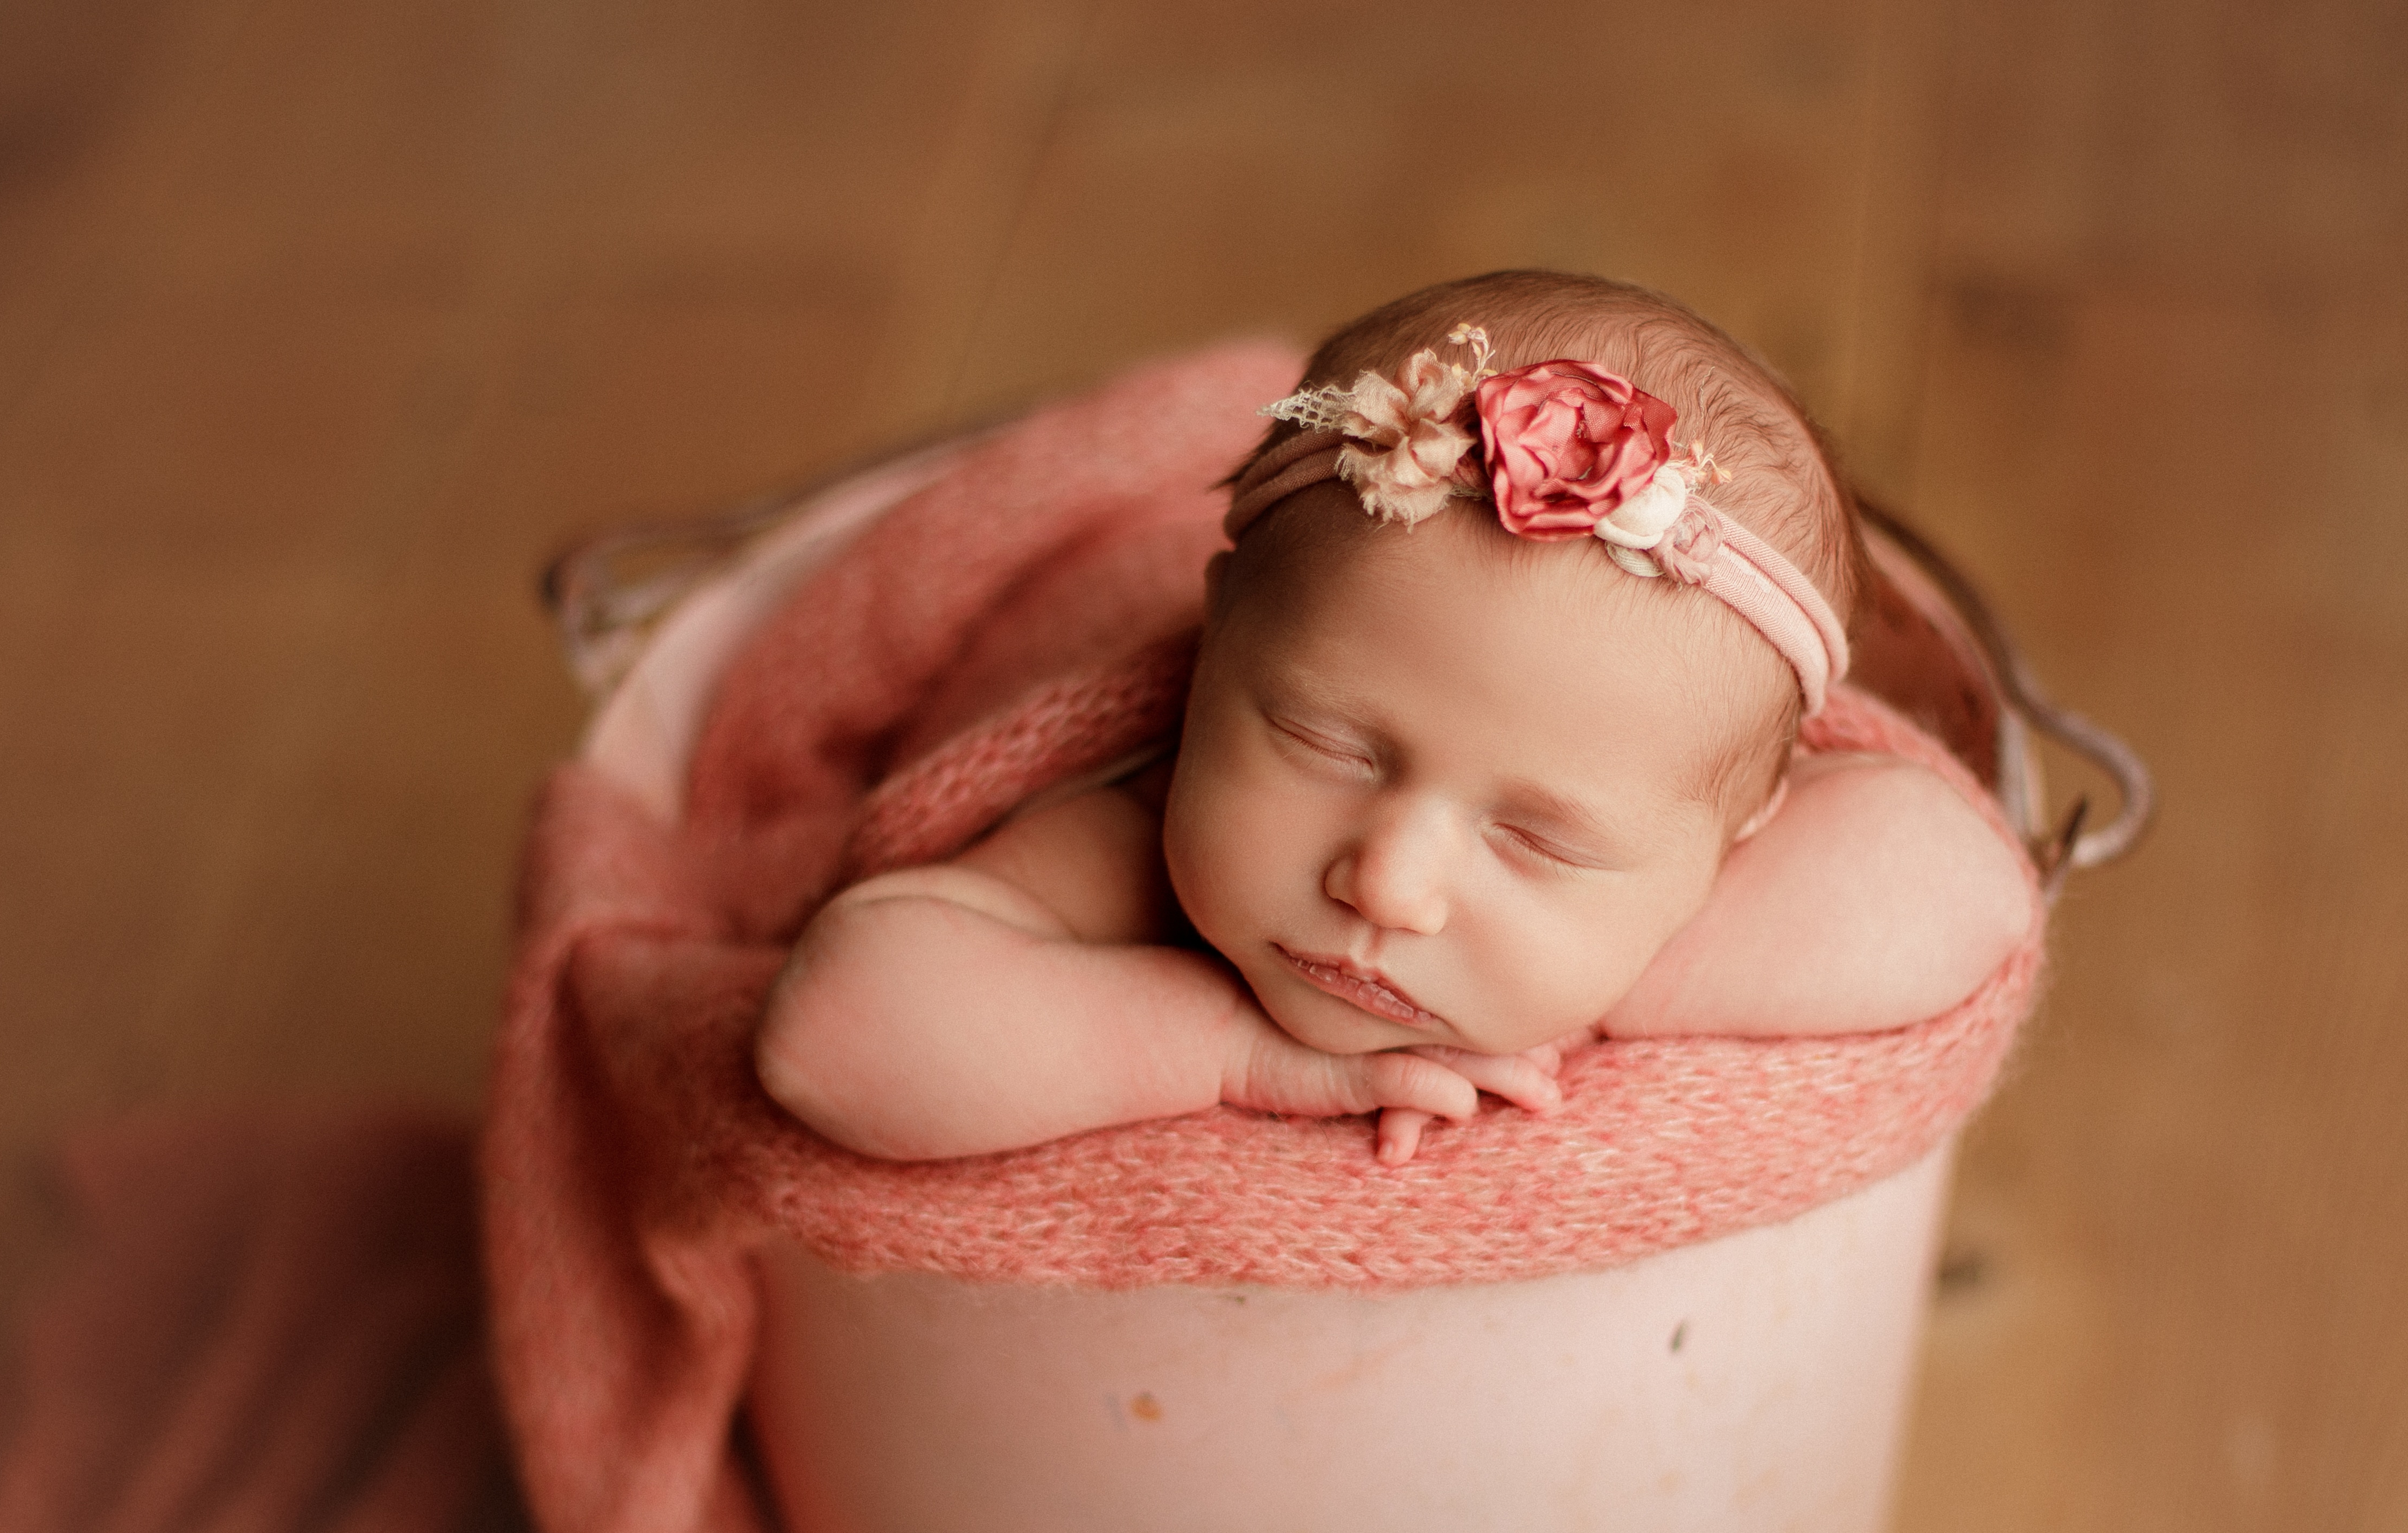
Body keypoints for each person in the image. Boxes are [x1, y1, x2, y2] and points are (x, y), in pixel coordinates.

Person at [755, 270, 2034, 1166]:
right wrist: (1224, 1052)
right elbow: (833, 1037)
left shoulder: (1674, 870)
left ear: (1735, 838)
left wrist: (1593, 986)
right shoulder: (1120, 841)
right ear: (1216, 650)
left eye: (1539, 841)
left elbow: (1964, 879)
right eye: (1325, 744)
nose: (1389, 880)